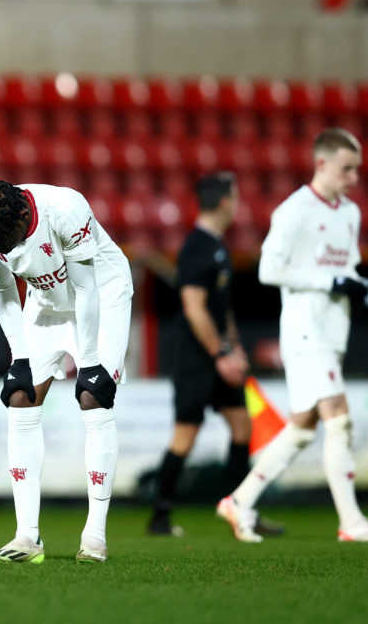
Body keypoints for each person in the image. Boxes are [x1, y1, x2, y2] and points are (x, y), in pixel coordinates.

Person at [217, 128, 368, 543]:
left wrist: (362, 287)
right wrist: (330, 281)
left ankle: (239, 501)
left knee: (301, 427)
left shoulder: (350, 213)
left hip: (333, 332)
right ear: (321, 164)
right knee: (339, 416)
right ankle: (351, 522)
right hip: (303, 331)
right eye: (346, 169)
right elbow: (268, 271)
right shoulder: (293, 211)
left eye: (356, 170)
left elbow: (344, 271)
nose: (353, 179)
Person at [0, 179, 133, 563]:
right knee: (20, 396)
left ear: (25, 213)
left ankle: (94, 537)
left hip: (102, 297)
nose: (8, 251)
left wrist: (89, 362)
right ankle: (27, 537)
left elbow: (87, 289)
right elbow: (3, 289)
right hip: (45, 303)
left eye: (12, 241)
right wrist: (19, 356)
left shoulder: (65, 209)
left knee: (94, 396)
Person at [147, 173, 283, 538]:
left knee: (242, 425)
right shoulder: (196, 248)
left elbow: (223, 311)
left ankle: (241, 508)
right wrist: (221, 352)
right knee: (185, 435)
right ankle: (159, 516)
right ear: (224, 202)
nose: (238, 205)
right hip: (195, 357)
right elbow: (195, 309)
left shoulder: (218, 247)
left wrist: (235, 347)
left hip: (218, 353)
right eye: (236, 198)